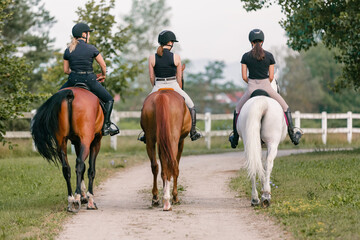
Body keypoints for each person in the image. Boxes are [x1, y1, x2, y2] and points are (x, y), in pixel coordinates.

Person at [229, 29, 302, 148]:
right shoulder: (269, 56)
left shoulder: (245, 56)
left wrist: (252, 82)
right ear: (262, 41)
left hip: (251, 88)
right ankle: (293, 135)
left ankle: (235, 139)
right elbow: (272, 77)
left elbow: (243, 77)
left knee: (237, 110)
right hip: (267, 87)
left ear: (251, 41)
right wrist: (264, 83)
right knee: (285, 107)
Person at [138, 30, 201, 143]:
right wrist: (178, 87)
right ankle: (193, 131)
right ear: (170, 43)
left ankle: (146, 133)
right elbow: (179, 77)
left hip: (158, 85)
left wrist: (156, 86)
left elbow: (151, 77)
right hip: (173, 85)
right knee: (191, 105)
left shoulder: (152, 57)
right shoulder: (176, 57)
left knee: (145, 107)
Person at [60, 22, 119, 136]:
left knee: (55, 98)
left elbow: (66, 70)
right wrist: (103, 75)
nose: (89, 36)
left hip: (72, 80)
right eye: (88, 33)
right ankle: (106, 126)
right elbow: (103, 66)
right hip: (89, 80)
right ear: (84, 34)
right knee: (109, 100)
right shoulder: (91, 48)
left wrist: (75, 74)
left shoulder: (68, 50)